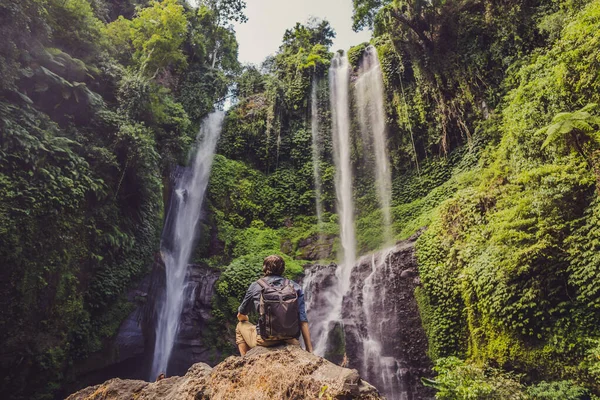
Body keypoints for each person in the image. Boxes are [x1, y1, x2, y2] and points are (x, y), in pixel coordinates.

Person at [236, 255, 313, 356]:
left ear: (264, 268)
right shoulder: (294, 286)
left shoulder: (255, 286)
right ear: (283, 269)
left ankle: (245, 360)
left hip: (265, 340)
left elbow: (241, 315)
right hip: (290, 340)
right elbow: (303, 320)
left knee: (240, 326)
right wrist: (309, 349)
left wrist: (244, 318)